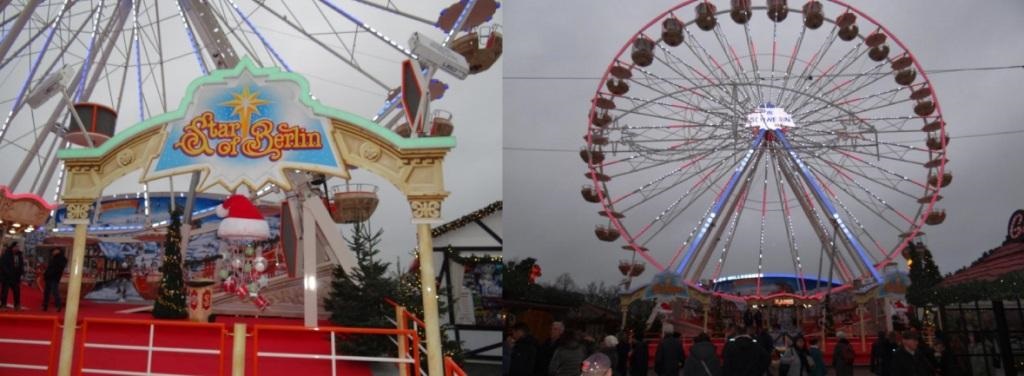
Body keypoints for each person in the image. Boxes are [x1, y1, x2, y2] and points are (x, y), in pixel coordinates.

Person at [0, 243, 25, 310]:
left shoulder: (19, 255)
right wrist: (8, 273)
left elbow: (21, 265)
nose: (17, 248)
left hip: (16, 277)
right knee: (5, 292)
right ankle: (3, 305)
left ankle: (17, 305)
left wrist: (21, 273)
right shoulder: (6, 255)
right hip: (7, 277)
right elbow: (3, 265)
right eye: (16, 247)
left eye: (18, 247)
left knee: (17, 292)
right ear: (12, 247)